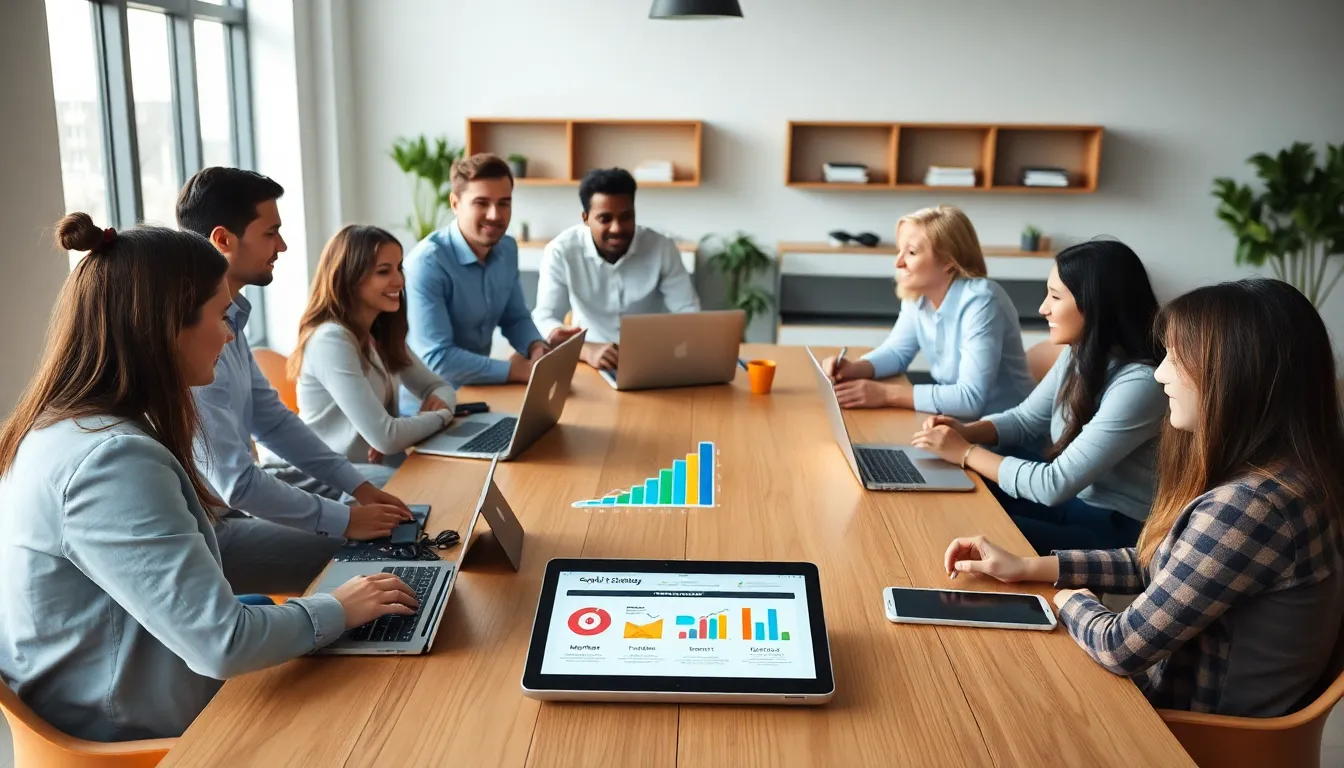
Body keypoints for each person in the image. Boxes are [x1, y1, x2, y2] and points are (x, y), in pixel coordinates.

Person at [0, 214, 419, 742]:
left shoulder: (62, 424)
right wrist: (339, 607)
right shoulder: (113, 463)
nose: (229, 333)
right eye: (221, 316)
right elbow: (223, 644)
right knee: (388, 706)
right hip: (129, 723)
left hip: (122, 675)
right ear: (165, 327)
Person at [944, 278, 1344, 717]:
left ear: (1237, 375)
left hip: (1192, 735)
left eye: (1177, 357)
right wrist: (1029, 567)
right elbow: (1159, 562)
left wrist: (1067, 599)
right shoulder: (1289, 479)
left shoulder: (1250, 509)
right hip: (1187, 717)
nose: (1160, 373)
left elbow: (1118, 646)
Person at [176, 167, 412, 555]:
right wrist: (347, 520)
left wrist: (358, 488)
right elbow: (236, 486)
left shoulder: (231, 317)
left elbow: (273, 421)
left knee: (388, 489)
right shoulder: (193, 337)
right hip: (212, 526)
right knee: (373, 545)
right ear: (223, 240)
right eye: (271, 233)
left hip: (243, 493)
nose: (282, 246)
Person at [913, 241, 1166, 553]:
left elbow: (1052, 485)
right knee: (947, 494)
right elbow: (1025, 420)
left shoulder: (1141, 384)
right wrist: (968, 431)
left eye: (1055, 297)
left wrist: (965, 451)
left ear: (1096, 305)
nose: (1043, 308)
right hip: (1074, 501)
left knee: (969, 526)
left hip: (1114, 529)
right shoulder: (1080, 353)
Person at [820, 205, 1034, 420]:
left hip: (1008, 431)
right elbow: (897, 352)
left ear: (949, 261)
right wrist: (856, 368)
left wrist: (886, 394)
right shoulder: (919, 295)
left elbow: (970, 398)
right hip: (960, 425)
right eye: (899, 250)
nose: (898, 262)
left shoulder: (982, 301)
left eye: (911, 252)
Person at [289, 225, 458, 487]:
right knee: (437, 486)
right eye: (383, 271)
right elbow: (387, 438)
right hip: (333, 477)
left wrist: (431, 411)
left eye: (399, 268)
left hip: (374, 468)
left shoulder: (378, 333)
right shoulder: (330, 340)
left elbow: (440, 387)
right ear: (350, 278)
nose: (399, 281)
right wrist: (441, 416)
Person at [404, 153, 579, 399]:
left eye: (504, 203)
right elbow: (437, 358)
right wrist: (516, 371)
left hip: (481, 393)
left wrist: (536, 346)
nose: (495, 215)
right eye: (481, 203)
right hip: (428, 405)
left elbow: (515, 318)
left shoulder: (507, 248)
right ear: (455, 203)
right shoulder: (426, 263)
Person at [531, 167, 700, 371]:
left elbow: (688, 312)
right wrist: (586, 350)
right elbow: (544, 317)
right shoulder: (561, 251)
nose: (617, 228)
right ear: (585, 218)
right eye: (605, 219)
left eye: (626, 217)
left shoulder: (661, 248)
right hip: (589, 361)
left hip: (651, 359)